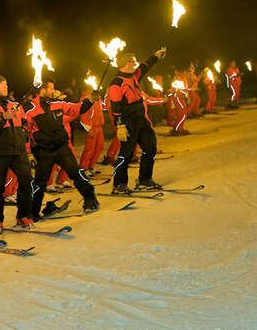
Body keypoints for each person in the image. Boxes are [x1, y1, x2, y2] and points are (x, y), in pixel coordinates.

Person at [25, 78, 98, 221]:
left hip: (61, 147)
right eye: (51, 88)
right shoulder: (30, 109)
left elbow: (76, 109)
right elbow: (25, 132)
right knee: (40, 181)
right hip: (43, 150)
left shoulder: (57, 104)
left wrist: (90, 100)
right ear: (42, 90)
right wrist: (28, 153)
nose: (54, 91)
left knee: (75, 172)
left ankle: (91, 199)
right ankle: (32, 212)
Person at [0, 75, 34, 234]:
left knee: (27, 181)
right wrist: (3, 117)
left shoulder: (15, 104)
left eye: (6, 84)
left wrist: (24, 137)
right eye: (2, 85)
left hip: (18, 151)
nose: (6, 87)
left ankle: (23, 215)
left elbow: (24, 124)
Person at [108, 47, 166, 193]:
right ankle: (119, 184)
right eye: (132, 61)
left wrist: (155, 56)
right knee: (126, 153)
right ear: (125, 63)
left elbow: (144, 67)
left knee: (150, 147)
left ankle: (144, 179)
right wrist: (120, 125)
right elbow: (116, 107)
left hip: (141, 119)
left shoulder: (133, 76)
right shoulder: (116, 84)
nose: (135, 63)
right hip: (128, 121)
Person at [79, 91, 105, 176]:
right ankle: (84, 168)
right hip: (92, 127)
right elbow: (83, 115)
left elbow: (104, 107)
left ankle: (90, 166)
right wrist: (88, 128)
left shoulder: (98, 100)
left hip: (99, 126)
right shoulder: (86, 100)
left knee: (100, 146)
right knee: (89, 148)